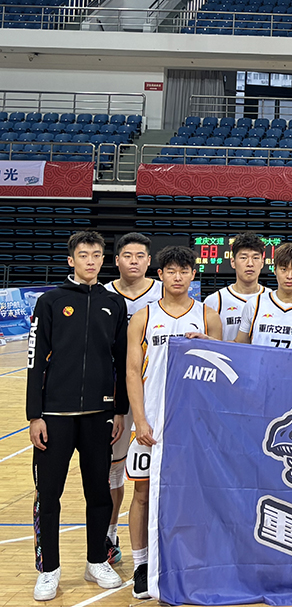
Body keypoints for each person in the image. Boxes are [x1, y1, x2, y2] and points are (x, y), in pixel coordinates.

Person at [27, 231, 129, 601]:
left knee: (99, 492)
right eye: (83, 255)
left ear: (104, 260)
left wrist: (119, 410)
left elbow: (121, 360)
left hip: (99, 415)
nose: (90, 261)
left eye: (96, 254)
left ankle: (96, 561)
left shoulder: (113, 303)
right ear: (71, 260)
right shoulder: (50, 301)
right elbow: (35, 360)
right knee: (49, 495)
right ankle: (49, 570)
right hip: (54, 416)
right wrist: (34, 415)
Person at [126, 246, 223, 599]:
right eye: (171, 270)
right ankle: (141, 565)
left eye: (184, 271)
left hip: (192, 422)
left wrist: (212, 344)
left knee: (192, 493)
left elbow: (223, 369)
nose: (177, 277)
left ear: (193, 275)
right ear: (161, 275)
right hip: (152, 420)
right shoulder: (144, 317)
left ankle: (188, 560)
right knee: (142, 492)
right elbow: (132, 371)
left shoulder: (208, 316)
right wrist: (140, 419)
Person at [102, 232, 162, 566]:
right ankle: (110, 536)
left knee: (150, 478)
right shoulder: (103, 293)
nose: (134, 261)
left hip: (153, 395)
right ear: (117, 260)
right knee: (112, 471)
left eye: (140, 256)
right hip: (113, 393)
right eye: (128, 255)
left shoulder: (165, 292)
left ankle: (153, 545)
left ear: (149, 261)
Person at [236, 243, 292, 351]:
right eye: (284, 269)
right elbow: (240, 349)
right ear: (275, 269)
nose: (289, 276)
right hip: (261, 363)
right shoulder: (255, 304)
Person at [204, 232, 270, 342]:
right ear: (233, 262)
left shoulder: (271, 298)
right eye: (243, 258)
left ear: (262, 263)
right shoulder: (215, 301)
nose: (250, 263)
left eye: (255, 258)